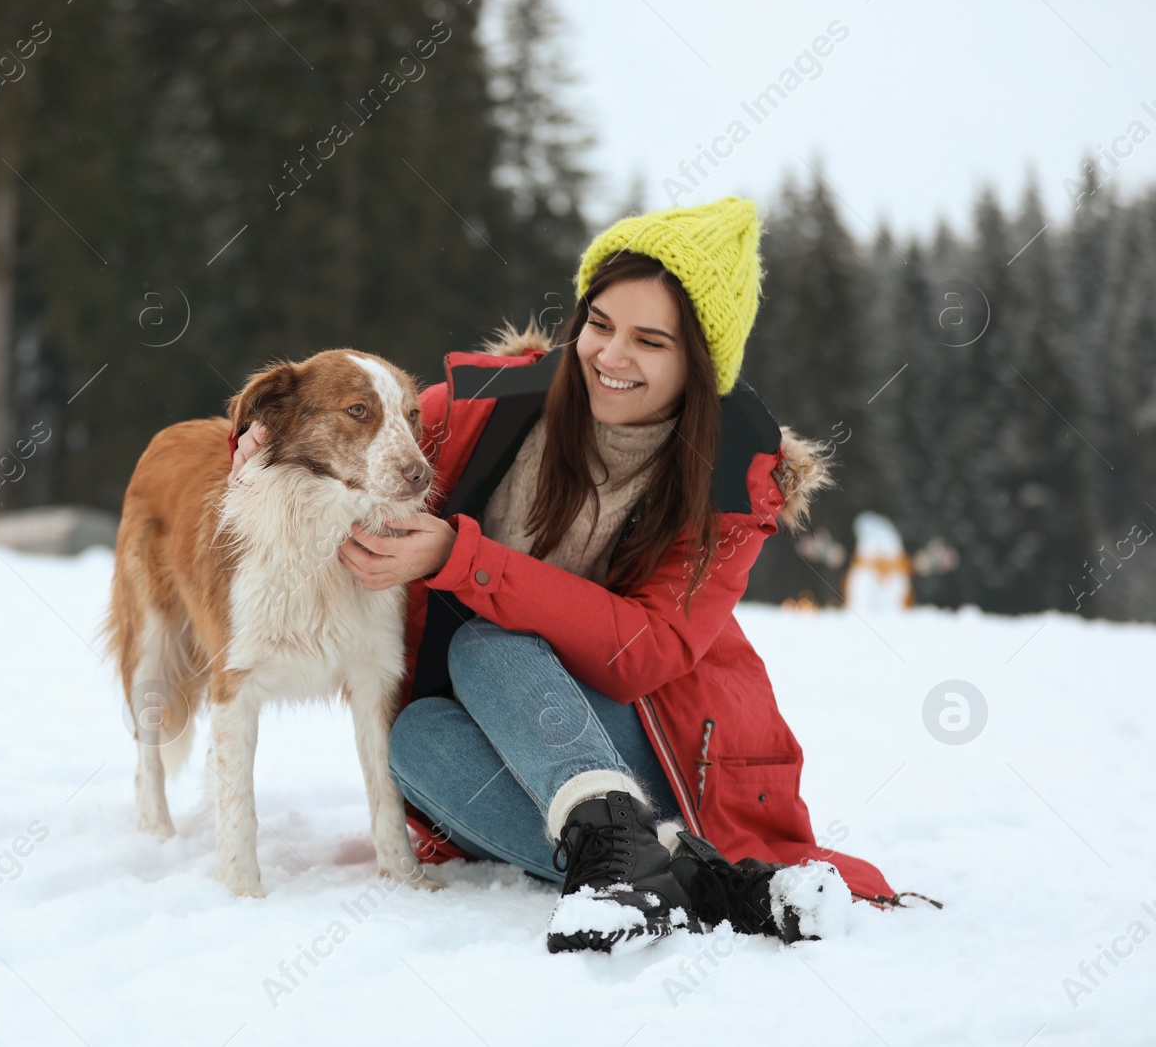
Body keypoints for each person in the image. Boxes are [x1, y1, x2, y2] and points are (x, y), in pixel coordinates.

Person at [227, 196, 899, 955]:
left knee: (488, 644)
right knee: (411, 739)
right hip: (509, 739)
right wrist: (253, 437)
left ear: (698, 362)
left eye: (650, 341)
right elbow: (333, 431)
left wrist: (462, 559)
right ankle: (677, 875)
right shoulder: (493, 406)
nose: (611, 356)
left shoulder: (732, 488)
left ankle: (628, 847)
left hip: (657, 751)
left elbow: (644, 652)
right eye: (600, 325)